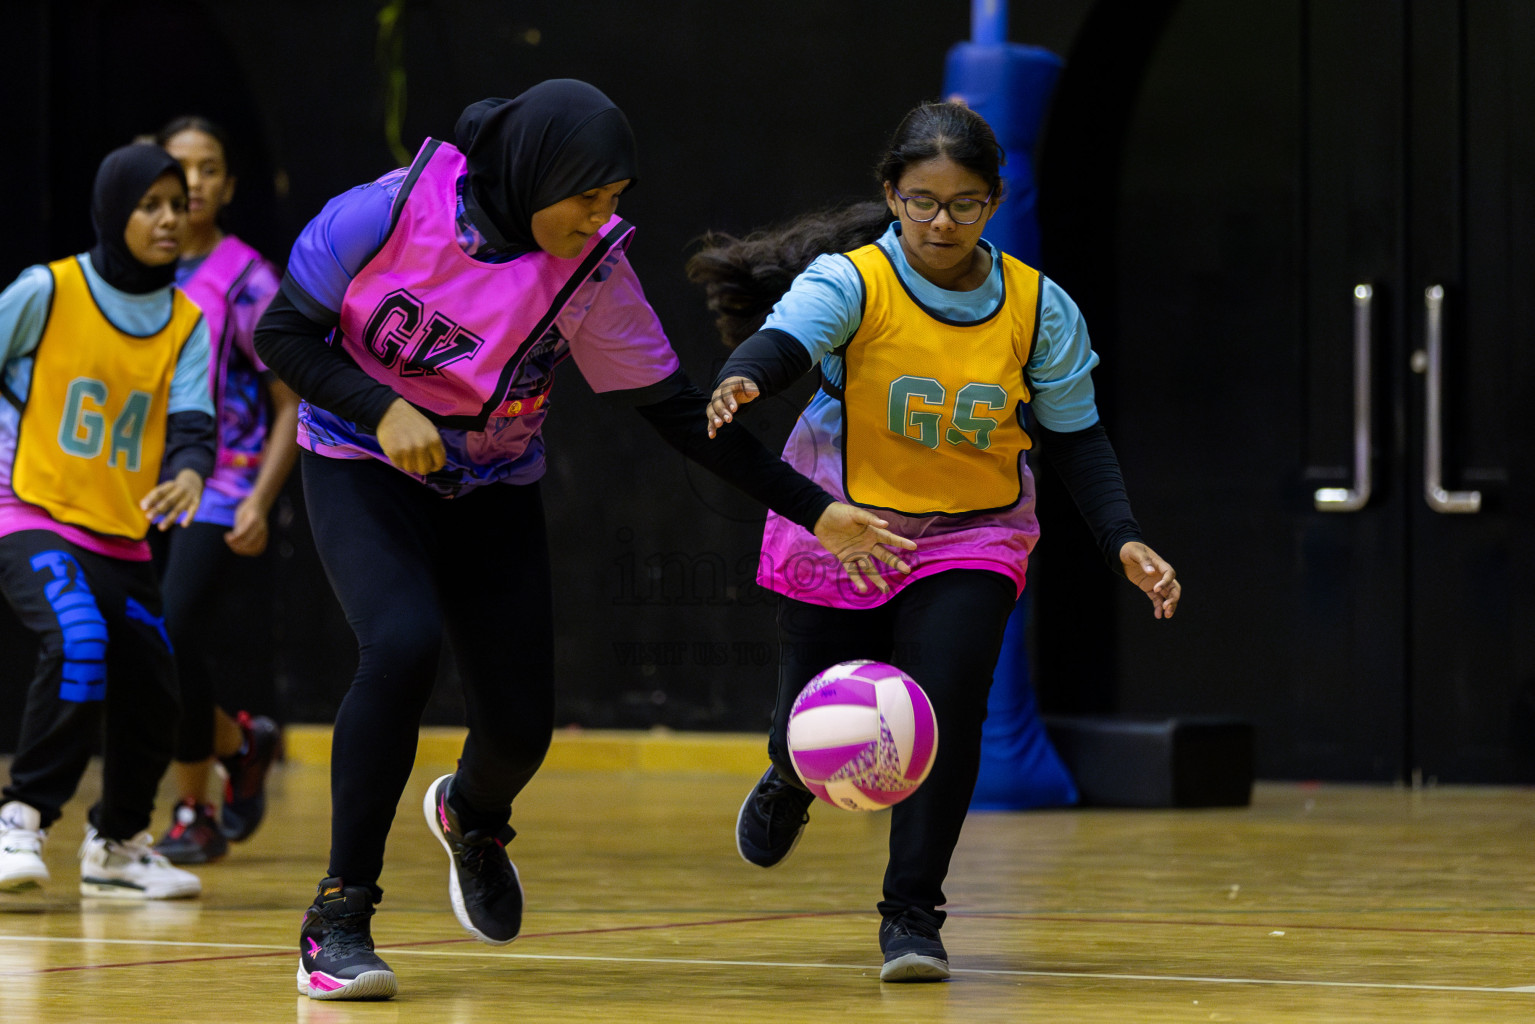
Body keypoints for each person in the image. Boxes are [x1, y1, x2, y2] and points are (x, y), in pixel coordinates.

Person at [254, 79, 912, 1001]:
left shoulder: (591, 274)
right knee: (399, 644)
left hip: (489, 484)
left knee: (520, 727)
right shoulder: (383, 213)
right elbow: (281, 334)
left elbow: (682, 417)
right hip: (359, 462)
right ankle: (337, 918)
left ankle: (472, 818)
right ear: (533, 177)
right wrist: (382, 406)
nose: (604, 218)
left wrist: (815, 510)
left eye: (616, 202)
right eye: (589, 198)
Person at [687, 100, 1182, 982]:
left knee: (946, 710)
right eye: (920, 201)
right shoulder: (853, 280)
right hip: (845, 521)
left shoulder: (1037, 305)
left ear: (993, 202)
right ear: (891, 194)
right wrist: (739, 381)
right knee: (802, 720)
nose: (940, 222)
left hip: (973, 531)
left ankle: (911, 916)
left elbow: (1074, 436)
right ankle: (787, 777)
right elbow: (782, 343)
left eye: (962, 204)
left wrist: (1122, 539)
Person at [0, 143, 215, 900]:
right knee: (80, 640)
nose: (167, 219)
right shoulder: (47, 290)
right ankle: (19, 817)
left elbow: (193, 425)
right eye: (148, 204)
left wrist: (188, 471)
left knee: (157, 684)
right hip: (25, 507)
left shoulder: (187, 321)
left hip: (120, 531)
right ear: (111, 209)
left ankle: (117, 845)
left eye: (176, 204)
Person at [146, 116, 294, 866]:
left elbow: (290, 404)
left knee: (170, 631)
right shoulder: (130, 269)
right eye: (181, 169)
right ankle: (240, 741)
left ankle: (192, 811)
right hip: (131, 490)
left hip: (218, 483)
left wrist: (258, 500)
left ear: (228, 185)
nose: (194, 183)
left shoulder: (247, 279)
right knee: (131, 646)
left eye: (210, 169)